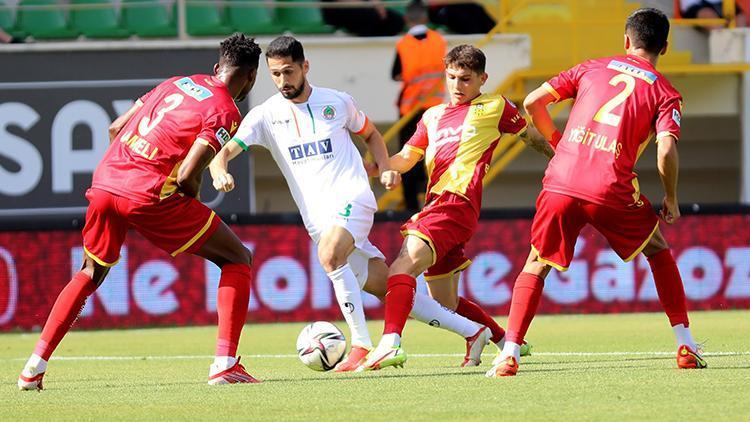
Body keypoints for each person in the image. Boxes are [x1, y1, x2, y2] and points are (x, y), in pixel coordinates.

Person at [210, 36, 497, 372]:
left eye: (288, 72)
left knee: (330, 255)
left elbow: (372, 135)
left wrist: (386, 168)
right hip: (319, 218)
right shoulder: (265, 115)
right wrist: (219, 170)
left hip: (353, 197)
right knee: (389, 287)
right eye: (275, 74)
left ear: (305, 67)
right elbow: (226, 152)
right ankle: (473, 331)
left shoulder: (337, 102)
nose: (282, 81)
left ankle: (361, 344)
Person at [18, 33, 263, 390]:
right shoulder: (226, 110)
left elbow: (116, 128)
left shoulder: (177, 83)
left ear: (216, 67)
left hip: (105, 181)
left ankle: (32, 369)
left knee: (90, 272)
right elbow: (186, 174)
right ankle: (224, 365)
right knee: (237, 258)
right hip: (148, 192)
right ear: (251, 77)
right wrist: (189, 195)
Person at [486, 8, 707, 378]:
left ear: (626, 40)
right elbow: (666, 149)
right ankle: (685, 343)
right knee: (657, 250)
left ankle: (509, 353)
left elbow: (532, 103)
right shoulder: (666, 92)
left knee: (536, 262)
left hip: (561, 179)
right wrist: (670, 198)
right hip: (610, 187)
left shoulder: (592, 66)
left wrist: (559, 143)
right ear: (665, 47)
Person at [359, 44, 554, 371]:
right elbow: (406, 159)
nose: (456, 85)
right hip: (440, 205)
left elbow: (529, 136)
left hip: (455, 202)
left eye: (465, 79)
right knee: (444, 302)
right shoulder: (431, 116)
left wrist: (559, 156)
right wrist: (374, 167)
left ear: (482, 79)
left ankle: (390, 342)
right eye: (451, 77)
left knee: (400, 271)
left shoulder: (495, 105)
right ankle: (503, 340)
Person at [392, 0, 446, 212]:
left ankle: (411, 210)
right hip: (435, 111)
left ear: (407, 18)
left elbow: (396, 74)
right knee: (432, 158)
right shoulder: (439, 41)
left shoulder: (403, 44)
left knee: (407, 159)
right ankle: (433, 206)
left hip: (410, 112)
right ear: (425, 17)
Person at [321, 0, 404, 37]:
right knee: (372, 16)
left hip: (367, 8)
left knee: (396, 21)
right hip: (338, 8)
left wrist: (378, 5)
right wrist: (368, 4)